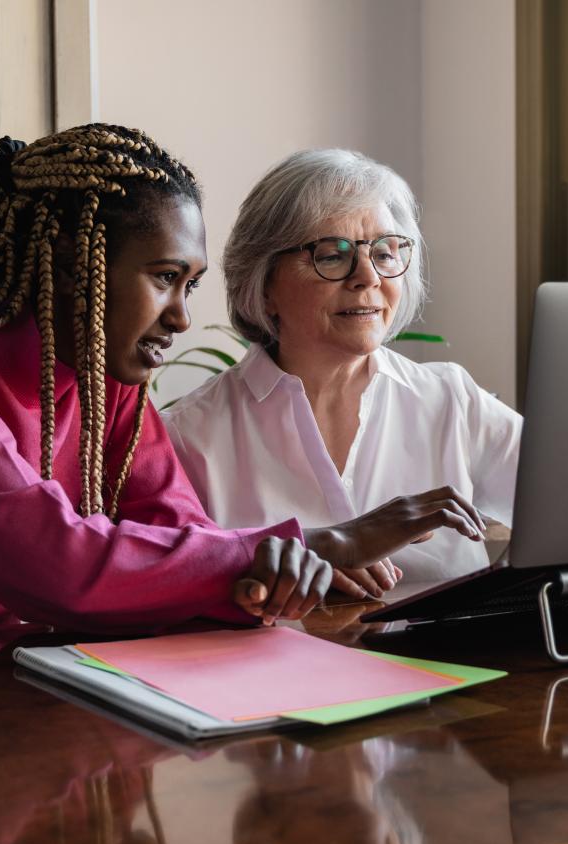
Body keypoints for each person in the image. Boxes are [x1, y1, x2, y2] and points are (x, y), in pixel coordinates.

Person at [0, 126, 481, 639]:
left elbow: (186, 534)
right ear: (67, 265)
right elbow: (57, 566)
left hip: (27, 684)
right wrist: (314, 546)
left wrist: (273, 567)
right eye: (163, 279)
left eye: (191, 285)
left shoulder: (105, 381)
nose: (182, 316)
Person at [163, 149, 522, 592]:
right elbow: (169, 583)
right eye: (332, 255)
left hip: (450, 659)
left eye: (386, 252)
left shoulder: (452, 400)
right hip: (274, 660)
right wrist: (303, 559)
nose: (368, 277)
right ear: (263, 282)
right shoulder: (188, 436)